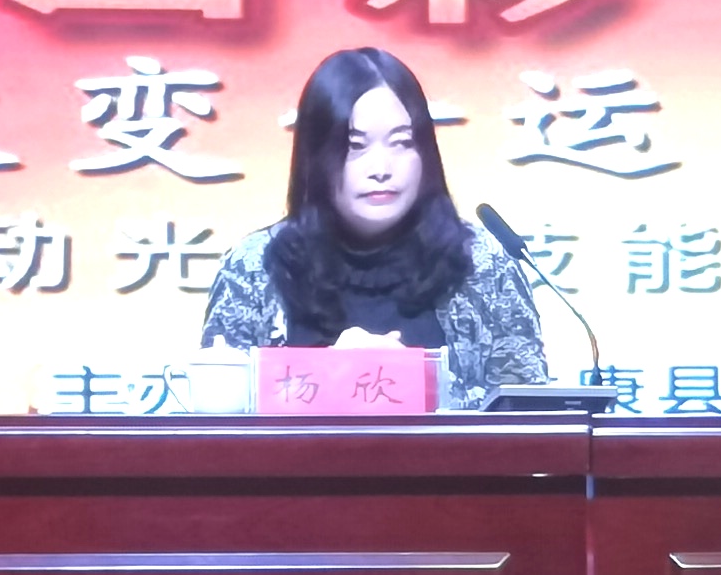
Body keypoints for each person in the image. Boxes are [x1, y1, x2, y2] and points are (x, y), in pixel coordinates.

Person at [197, 47, 547, 407]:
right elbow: (221, 415)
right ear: (315, 155)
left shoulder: (483, 265)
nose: (381, 168)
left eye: (401, 142)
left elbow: (529, 411)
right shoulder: (254, 267)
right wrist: (336, 377)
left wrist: (408, 380)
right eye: (355, 146)